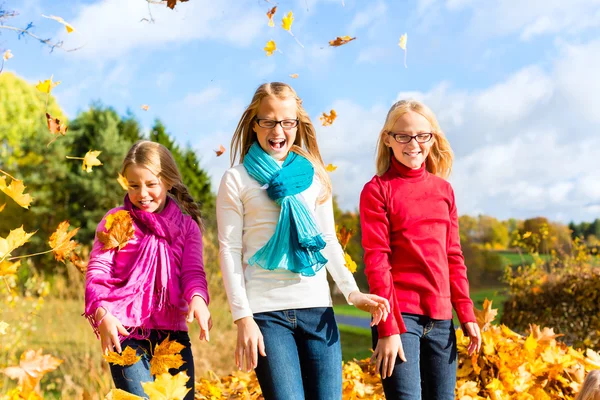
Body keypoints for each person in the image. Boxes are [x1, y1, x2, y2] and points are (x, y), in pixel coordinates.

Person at [216, 82, 390, 400]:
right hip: (266, 315)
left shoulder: (314, 176)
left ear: (298, 124)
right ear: (254, 123)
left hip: (318, 312)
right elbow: (229, 250)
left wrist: (352, 293)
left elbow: (327, 241)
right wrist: (243, 317)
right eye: (268, 120)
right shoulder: (236, 179)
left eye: (287, 121)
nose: (277, 129)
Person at [359, 99, 482, 399]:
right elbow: (377, 262)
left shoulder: (444, 191)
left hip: (441, 320)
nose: (413, 143)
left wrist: (466, 313)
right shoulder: (377, 190)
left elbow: (453, 256)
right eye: (403, 135)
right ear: (388, 139)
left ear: (432, 139)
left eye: (422, 135)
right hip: (400, 318)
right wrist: (388, 328)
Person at [84, 140, 210, 399]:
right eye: (133, 185)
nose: (142, 193)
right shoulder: (116, 221)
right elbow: (97, 272)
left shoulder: (187, 228)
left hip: (172, 336)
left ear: (168, 182)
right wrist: (102, 313)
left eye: (151, 184)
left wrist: (198, 299)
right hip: (124, 333)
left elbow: (193, 273)